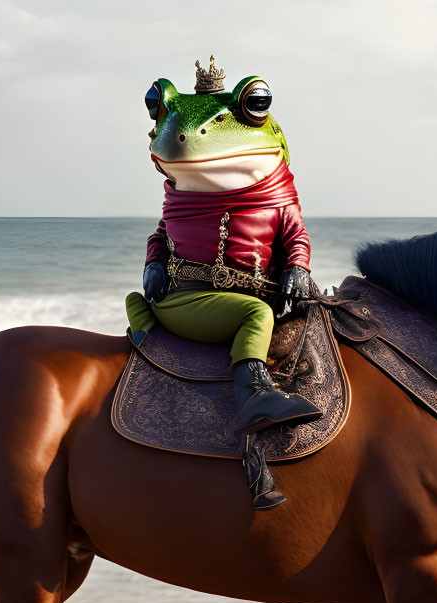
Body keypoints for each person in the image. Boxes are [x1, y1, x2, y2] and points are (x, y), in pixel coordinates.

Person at [125, 57, 322, 433]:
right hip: (201, 303)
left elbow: (295, 235)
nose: (183, 134)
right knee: (258, 316)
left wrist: (297, 267)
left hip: (188, 303)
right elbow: (161, 237)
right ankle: (255, 396)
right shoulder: (180, 198)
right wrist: (154, 262)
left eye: (256, 103)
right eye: (159, 107)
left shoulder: (277, 201)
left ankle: (142, 322)